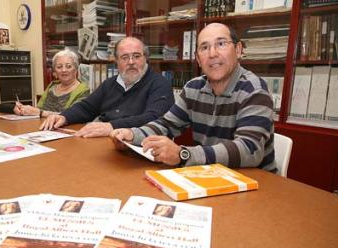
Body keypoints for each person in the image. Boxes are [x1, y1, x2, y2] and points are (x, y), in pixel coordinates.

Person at [112, 23, 277, 173]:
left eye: (221, 44)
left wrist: (183, 154)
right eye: (204, 47)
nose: (212, 53)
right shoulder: (193, 88)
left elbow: (249, 150)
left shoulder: (255, 90)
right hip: (210, 177)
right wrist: (132, 135)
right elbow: (167, 125)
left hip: (255, 184)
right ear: (198, 59)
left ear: (239, 50)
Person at [39, 37, 174, 138]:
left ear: (146, 58)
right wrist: (64, 117)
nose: (131, 62)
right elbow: (87, 107)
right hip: (106, 143)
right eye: (125, 57)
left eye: (137, 56)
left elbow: (154, 118)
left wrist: (111, 126)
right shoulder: (110, 83)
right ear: (116, 62)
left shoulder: (160, 84)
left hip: (141, 149)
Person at [14, 48, 90, 118]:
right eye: (59, 67)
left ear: (75, 69)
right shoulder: (52, 86)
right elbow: (38, 109)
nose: (64, 70)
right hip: (43, 128)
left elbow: (72, 116)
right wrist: (23, 109)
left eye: (68, 66)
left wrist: (40, 113)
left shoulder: (83, 90)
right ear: (55, 71)